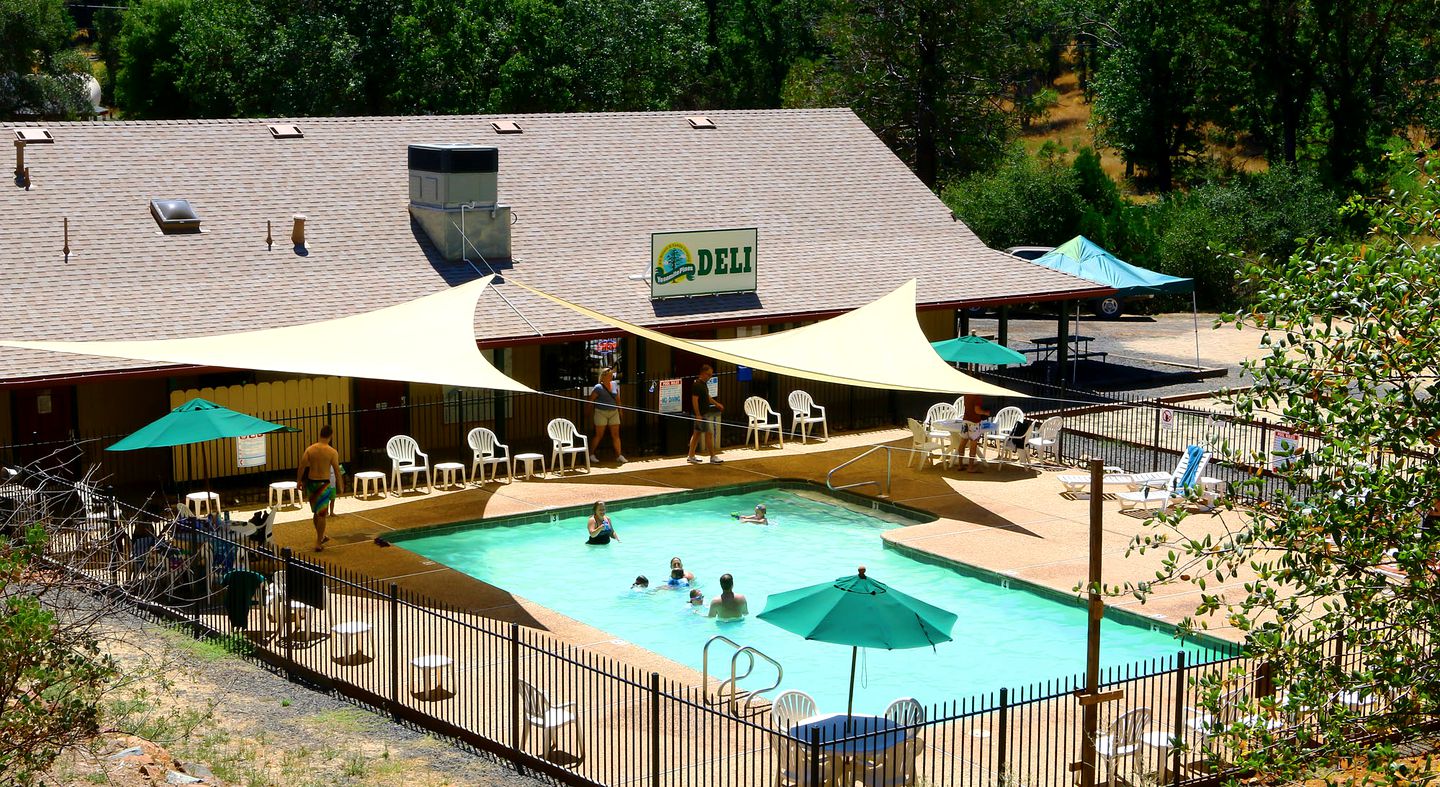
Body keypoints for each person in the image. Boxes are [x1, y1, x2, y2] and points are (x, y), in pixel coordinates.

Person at [297, 424, 342, 552]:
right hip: (323, 484)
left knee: (316, 513)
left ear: (320, 434)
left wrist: (299, 481)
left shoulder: (310, 449)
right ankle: (318, 542)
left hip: (311, 483)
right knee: (322, 514)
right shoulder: (332, 452)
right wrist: (340, 484)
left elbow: (302, 466)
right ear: (331, 436)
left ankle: (320, 537)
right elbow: (337, 470)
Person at [686, 363, 725, 464]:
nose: (710, 377)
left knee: (696, 435)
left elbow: (707, 397)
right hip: (702, 414)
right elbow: (694, 400)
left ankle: (691, 456)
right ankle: (712, 456)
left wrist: (716, 404)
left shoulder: (703, 384)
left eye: (711, 375)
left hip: (703, 413)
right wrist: (698, 414)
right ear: (703, 373)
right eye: (708, 374)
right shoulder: (697, 385)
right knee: (709, 434)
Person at [587, 367, 626, 464]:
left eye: (611, 375)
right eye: (609, 374)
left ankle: (619, 455)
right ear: (604, 376)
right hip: (601, 412)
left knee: (616, 435)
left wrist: (620, 411)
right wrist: (587, 411)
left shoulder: (614, 384)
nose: (611, 376)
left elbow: (618, 399)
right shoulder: (598, 387)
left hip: (613, 412)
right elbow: (591, 400)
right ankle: (591, 454)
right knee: (599, 435)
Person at [957, 396, 993, 472]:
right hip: (974, 422)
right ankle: (970, 467)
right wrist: (985, 412)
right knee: (973, 444)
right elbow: (977, 410)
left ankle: (960, 465)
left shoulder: (966, 394)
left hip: (965, 420)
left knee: (962, 442)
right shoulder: (977, 396)